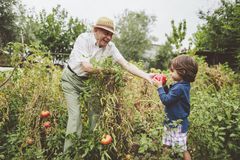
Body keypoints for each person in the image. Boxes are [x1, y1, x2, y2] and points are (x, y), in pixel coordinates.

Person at [61, 17, 153, 152]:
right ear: (95, 30)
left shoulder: (111, 47)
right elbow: (87, 67)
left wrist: (146, 76)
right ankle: (69, 154)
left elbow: (125, 64)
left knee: (95, 116)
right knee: (75, 117)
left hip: (90, 83)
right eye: (106, 33)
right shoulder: (83, 39)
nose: (109, 37)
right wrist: (112, 71)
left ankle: (93, 150)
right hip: (71, 81)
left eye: (111, 34)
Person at [153, 55, 198, 160]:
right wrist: (164, 86)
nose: (170, 72)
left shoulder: (180, 88)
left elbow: (166, 100)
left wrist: (159, 87)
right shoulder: (181, 85)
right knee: (166, 145)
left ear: (183, 72)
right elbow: (170, 97)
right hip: (171, 121)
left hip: (178, 124)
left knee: (182, 149)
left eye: (173, 70)